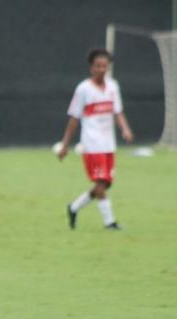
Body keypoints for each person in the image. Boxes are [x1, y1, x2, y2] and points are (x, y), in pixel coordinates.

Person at [57, 48, 133, 230]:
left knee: (105, 183)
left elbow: (118, 112)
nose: (101, 69)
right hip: (92, 145)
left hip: (109, 144)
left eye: (104, 66)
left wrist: (125, 129)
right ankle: (110, 222)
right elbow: (74, 118)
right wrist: (65, 145)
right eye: (98, 66)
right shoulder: (83, 89)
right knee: (100, 183)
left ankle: (74, 207)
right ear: (91, 67)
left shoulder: (113, 87)